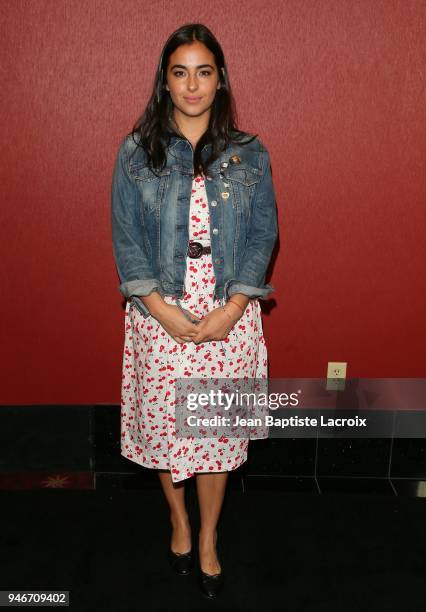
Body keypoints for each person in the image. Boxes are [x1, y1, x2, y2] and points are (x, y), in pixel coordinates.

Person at [111, 23, 278, 599]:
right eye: (180, 72)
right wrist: (160, 310)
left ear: (220, 79)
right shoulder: (136, 152)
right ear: (165, 81)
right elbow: (126, 239)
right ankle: (177, 521)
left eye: (203, 71)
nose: (192, 85)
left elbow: (262, 235)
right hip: (160, 313)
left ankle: (207, 536)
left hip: (227, 314)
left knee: (213, 433)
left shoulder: (249, 153)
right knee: (166, 430)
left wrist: (233, 309)